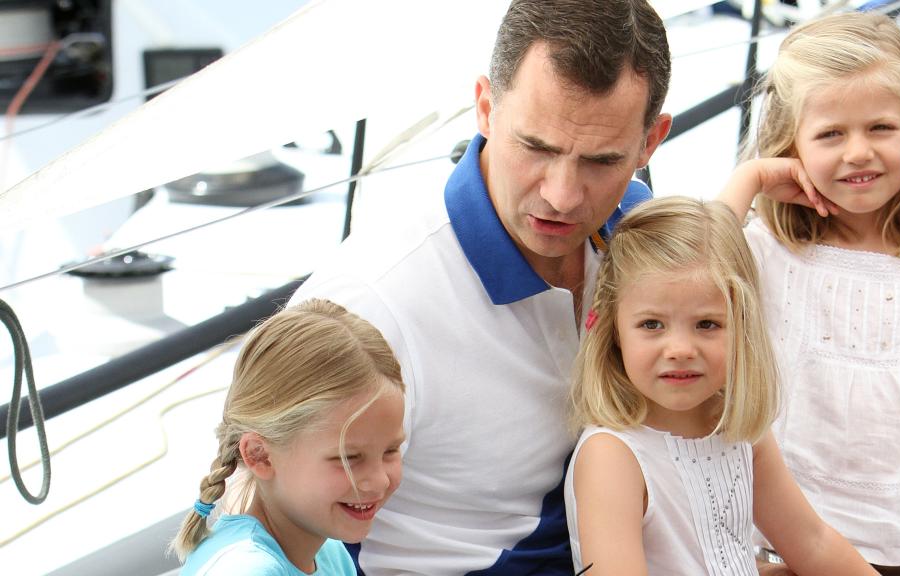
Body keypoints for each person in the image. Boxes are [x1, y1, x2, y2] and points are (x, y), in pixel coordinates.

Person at [288, 0, 673, 572]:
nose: (562, 196)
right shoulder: (372, 301)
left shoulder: (644, 236)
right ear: (486, 107)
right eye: (537, 148)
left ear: (651, 142)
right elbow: (257, 527)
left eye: (600, 161)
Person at [717, 11, 900, 576]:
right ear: (792, 143)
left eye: (880, 128)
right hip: (779, 550)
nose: (858, 151)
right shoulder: (767, 250)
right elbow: (692, 272)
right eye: (831, 134)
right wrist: (750, 180)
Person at [564, 196, 878, 575]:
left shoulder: (738, 429)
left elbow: (812, 542)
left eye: (707, 324)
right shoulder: (613, 455)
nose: (680, 350)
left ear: (742, 326)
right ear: (614, 329)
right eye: (651, 325)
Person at [171, 299, 406, 575]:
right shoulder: (247, 570)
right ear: (260, 455)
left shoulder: (330, 553)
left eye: (391, 450)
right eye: (349, 458)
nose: (379, 480)